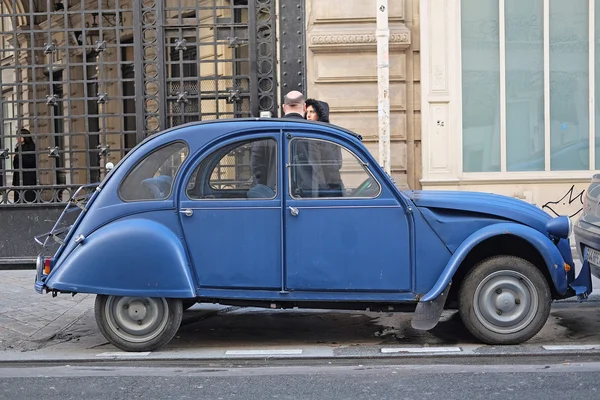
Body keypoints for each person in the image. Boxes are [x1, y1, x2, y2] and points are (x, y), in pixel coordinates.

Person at [249, 91, 307, 196]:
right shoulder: (313, 132)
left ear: (284, 107)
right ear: (304, 107)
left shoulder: (267, 132)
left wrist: (265, 188)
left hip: (274, 194)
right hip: (307, 197)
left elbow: (256, 165)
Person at [305, 99, 344, 197]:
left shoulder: (314, 137)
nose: (308, 115)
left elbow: (317, 165)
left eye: (312, 112)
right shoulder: (330, 135)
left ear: (319, 114)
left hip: (326, 188)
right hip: (326, 186)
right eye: (307, 112)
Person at [12, 128, 37, 203]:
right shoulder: (18, 147)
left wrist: (16, 157)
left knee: (28, 195)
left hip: (28, 176)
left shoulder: (31, 147)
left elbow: (30, 161)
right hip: (18, 175)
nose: (17, 138)